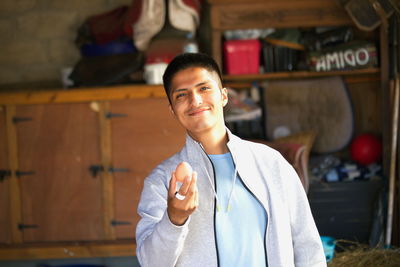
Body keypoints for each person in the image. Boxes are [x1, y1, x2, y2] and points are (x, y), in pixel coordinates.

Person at [136, 53, 326, 267]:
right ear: (172, 109)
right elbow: (151, 263)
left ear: (224, 96)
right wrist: (174, 220)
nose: (195, 100)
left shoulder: (271, 163)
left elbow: (307, 245)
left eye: (204, 88)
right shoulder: (162, 181)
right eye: (181, 95)